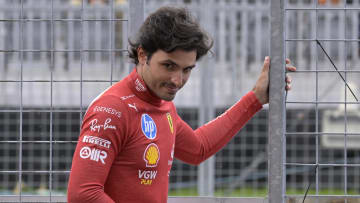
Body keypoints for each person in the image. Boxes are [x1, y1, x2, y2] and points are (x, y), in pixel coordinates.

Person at [67, 6, 296, 203]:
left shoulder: (160, 104)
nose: (177, 80)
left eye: (187, 70)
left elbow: (198, 149)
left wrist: (255, 98)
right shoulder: (113, 109)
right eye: (168, 66)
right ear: (143, 55)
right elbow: (83, 194)